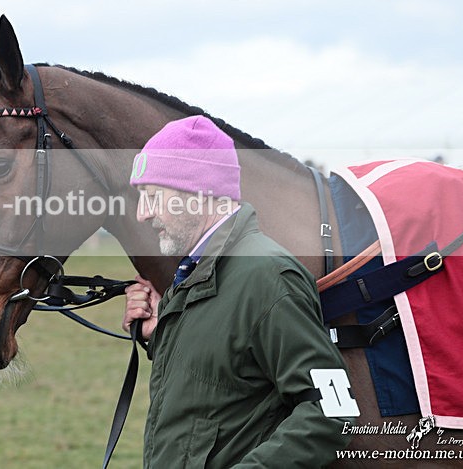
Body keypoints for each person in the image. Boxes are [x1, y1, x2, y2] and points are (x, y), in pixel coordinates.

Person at [123, 116, 355, 467]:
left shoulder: (268, 276)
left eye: (153, 196)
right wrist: (162, 332)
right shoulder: (194, 271)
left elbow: (332, 410)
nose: (142, 214)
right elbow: (220, 382)